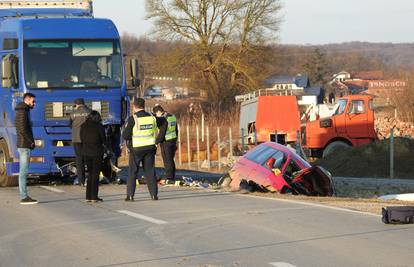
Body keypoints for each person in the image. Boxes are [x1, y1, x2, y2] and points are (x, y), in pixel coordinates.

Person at [122, 98, 161, 202]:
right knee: (150, 171)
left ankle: (130, 196)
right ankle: (154, 195)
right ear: (144, 106)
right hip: (150, 148)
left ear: (134, 107)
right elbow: (161, 126)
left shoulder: (133, 118)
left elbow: (125, 135)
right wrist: (158, 140)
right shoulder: (152, 118)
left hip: (137, 149)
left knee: (132, 172)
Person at [15, 93, 37, 204]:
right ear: (27, 100)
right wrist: (31, 142)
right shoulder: (23, 111)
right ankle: (24, 197)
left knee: (23, 171)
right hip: (24, 145)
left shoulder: (24, 110)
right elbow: (22, 129)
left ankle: (24, 195)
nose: (34, 103)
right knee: (23, 171)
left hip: (24, 144)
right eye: (33, 101)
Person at [80, 111, 106, 202]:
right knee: (95, 175)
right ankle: (94, 196)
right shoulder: (99, 126)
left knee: (90, 174)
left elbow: (81, 138)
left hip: (86, 152)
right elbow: (103, 139)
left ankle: (88, 196)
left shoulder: (83, 126)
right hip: (97, 153)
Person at [153, 105, 178, 183]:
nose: (156, 116)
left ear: (159, 112)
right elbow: (176, 130)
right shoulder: (172, 116)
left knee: (167, 160)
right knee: (171, 159)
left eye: (156, 114)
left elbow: (162, 133)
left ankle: (169, 177)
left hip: (166, 141)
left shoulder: (164, 119)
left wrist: (156, 143)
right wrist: (176, 140)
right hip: (173, 140)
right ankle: (172, 175)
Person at [69, 98, 91, 186]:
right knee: (89, 158)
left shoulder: (73, 113)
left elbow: (70, 125)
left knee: (79, 159)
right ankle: (90, 179)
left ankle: (81, 180)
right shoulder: (90, 112)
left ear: (76, 105)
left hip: (76, 138)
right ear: (83, 104)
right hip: (88, 138)